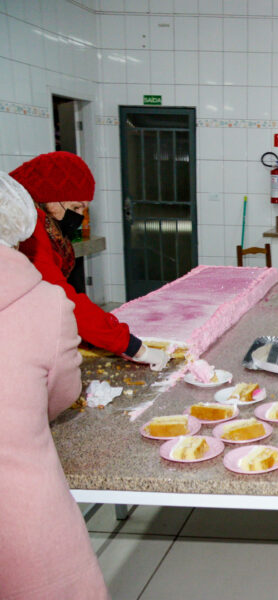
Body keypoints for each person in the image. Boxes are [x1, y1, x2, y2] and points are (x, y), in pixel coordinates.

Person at [0, 172, 109, 599]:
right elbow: (60, 395)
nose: (80, 217)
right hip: (17, 503)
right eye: (76, 207)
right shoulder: (42, 302)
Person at [11, 152, 166, 369]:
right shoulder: (29, 231)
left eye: (83, 208)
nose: (79, 216)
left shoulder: (45, 224)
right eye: (75, 207)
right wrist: (134, 347)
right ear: (49, 196)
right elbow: (61, 298)